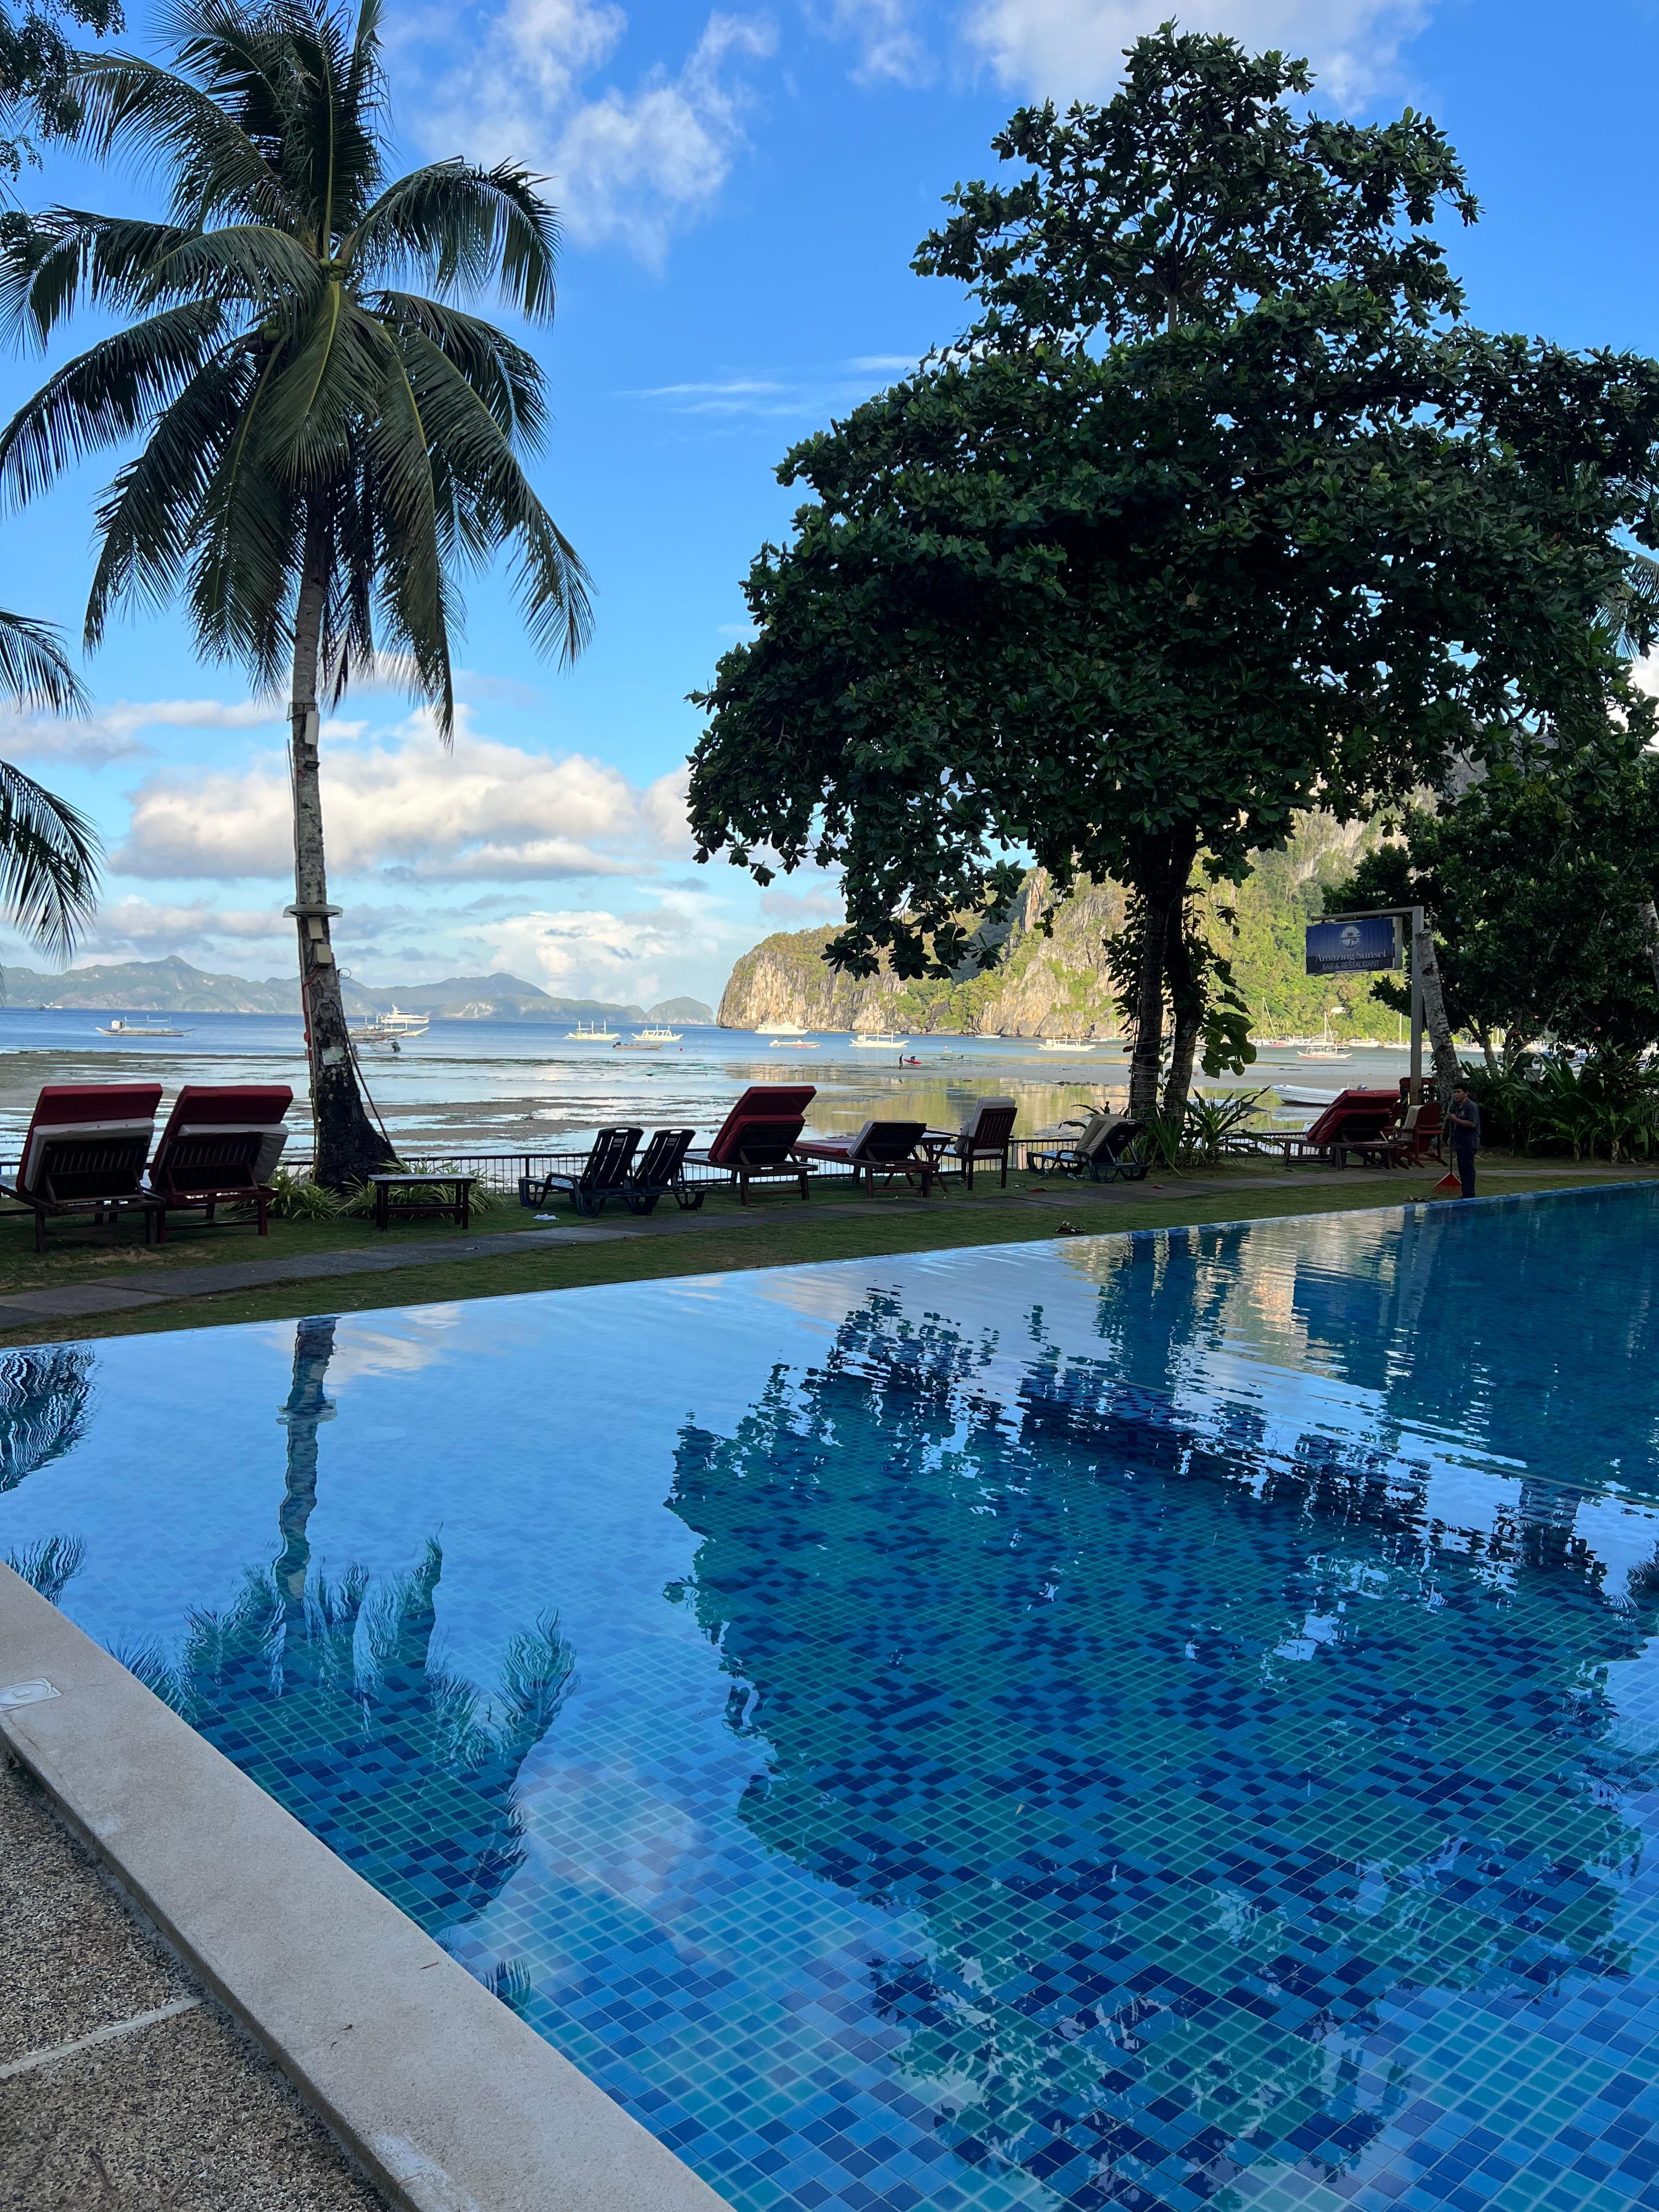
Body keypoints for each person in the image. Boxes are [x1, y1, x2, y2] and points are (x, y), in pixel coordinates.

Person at [1447, 1081, 1480, 1198]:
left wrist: (1455, 1119)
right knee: (1462, 1170)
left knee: (1468, 1170)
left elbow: (1472, 1124)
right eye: (1454, 1092)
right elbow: (1458, 1125)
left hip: (1469, 1143)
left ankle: (1469, 1194)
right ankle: (1465, 1193)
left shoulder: (1471, 1106)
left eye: (1458, 1092)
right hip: (1460, 1143)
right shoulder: (1458, 1107)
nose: (1456, 1095)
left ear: (1466, 1093)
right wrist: (1453, 1137)